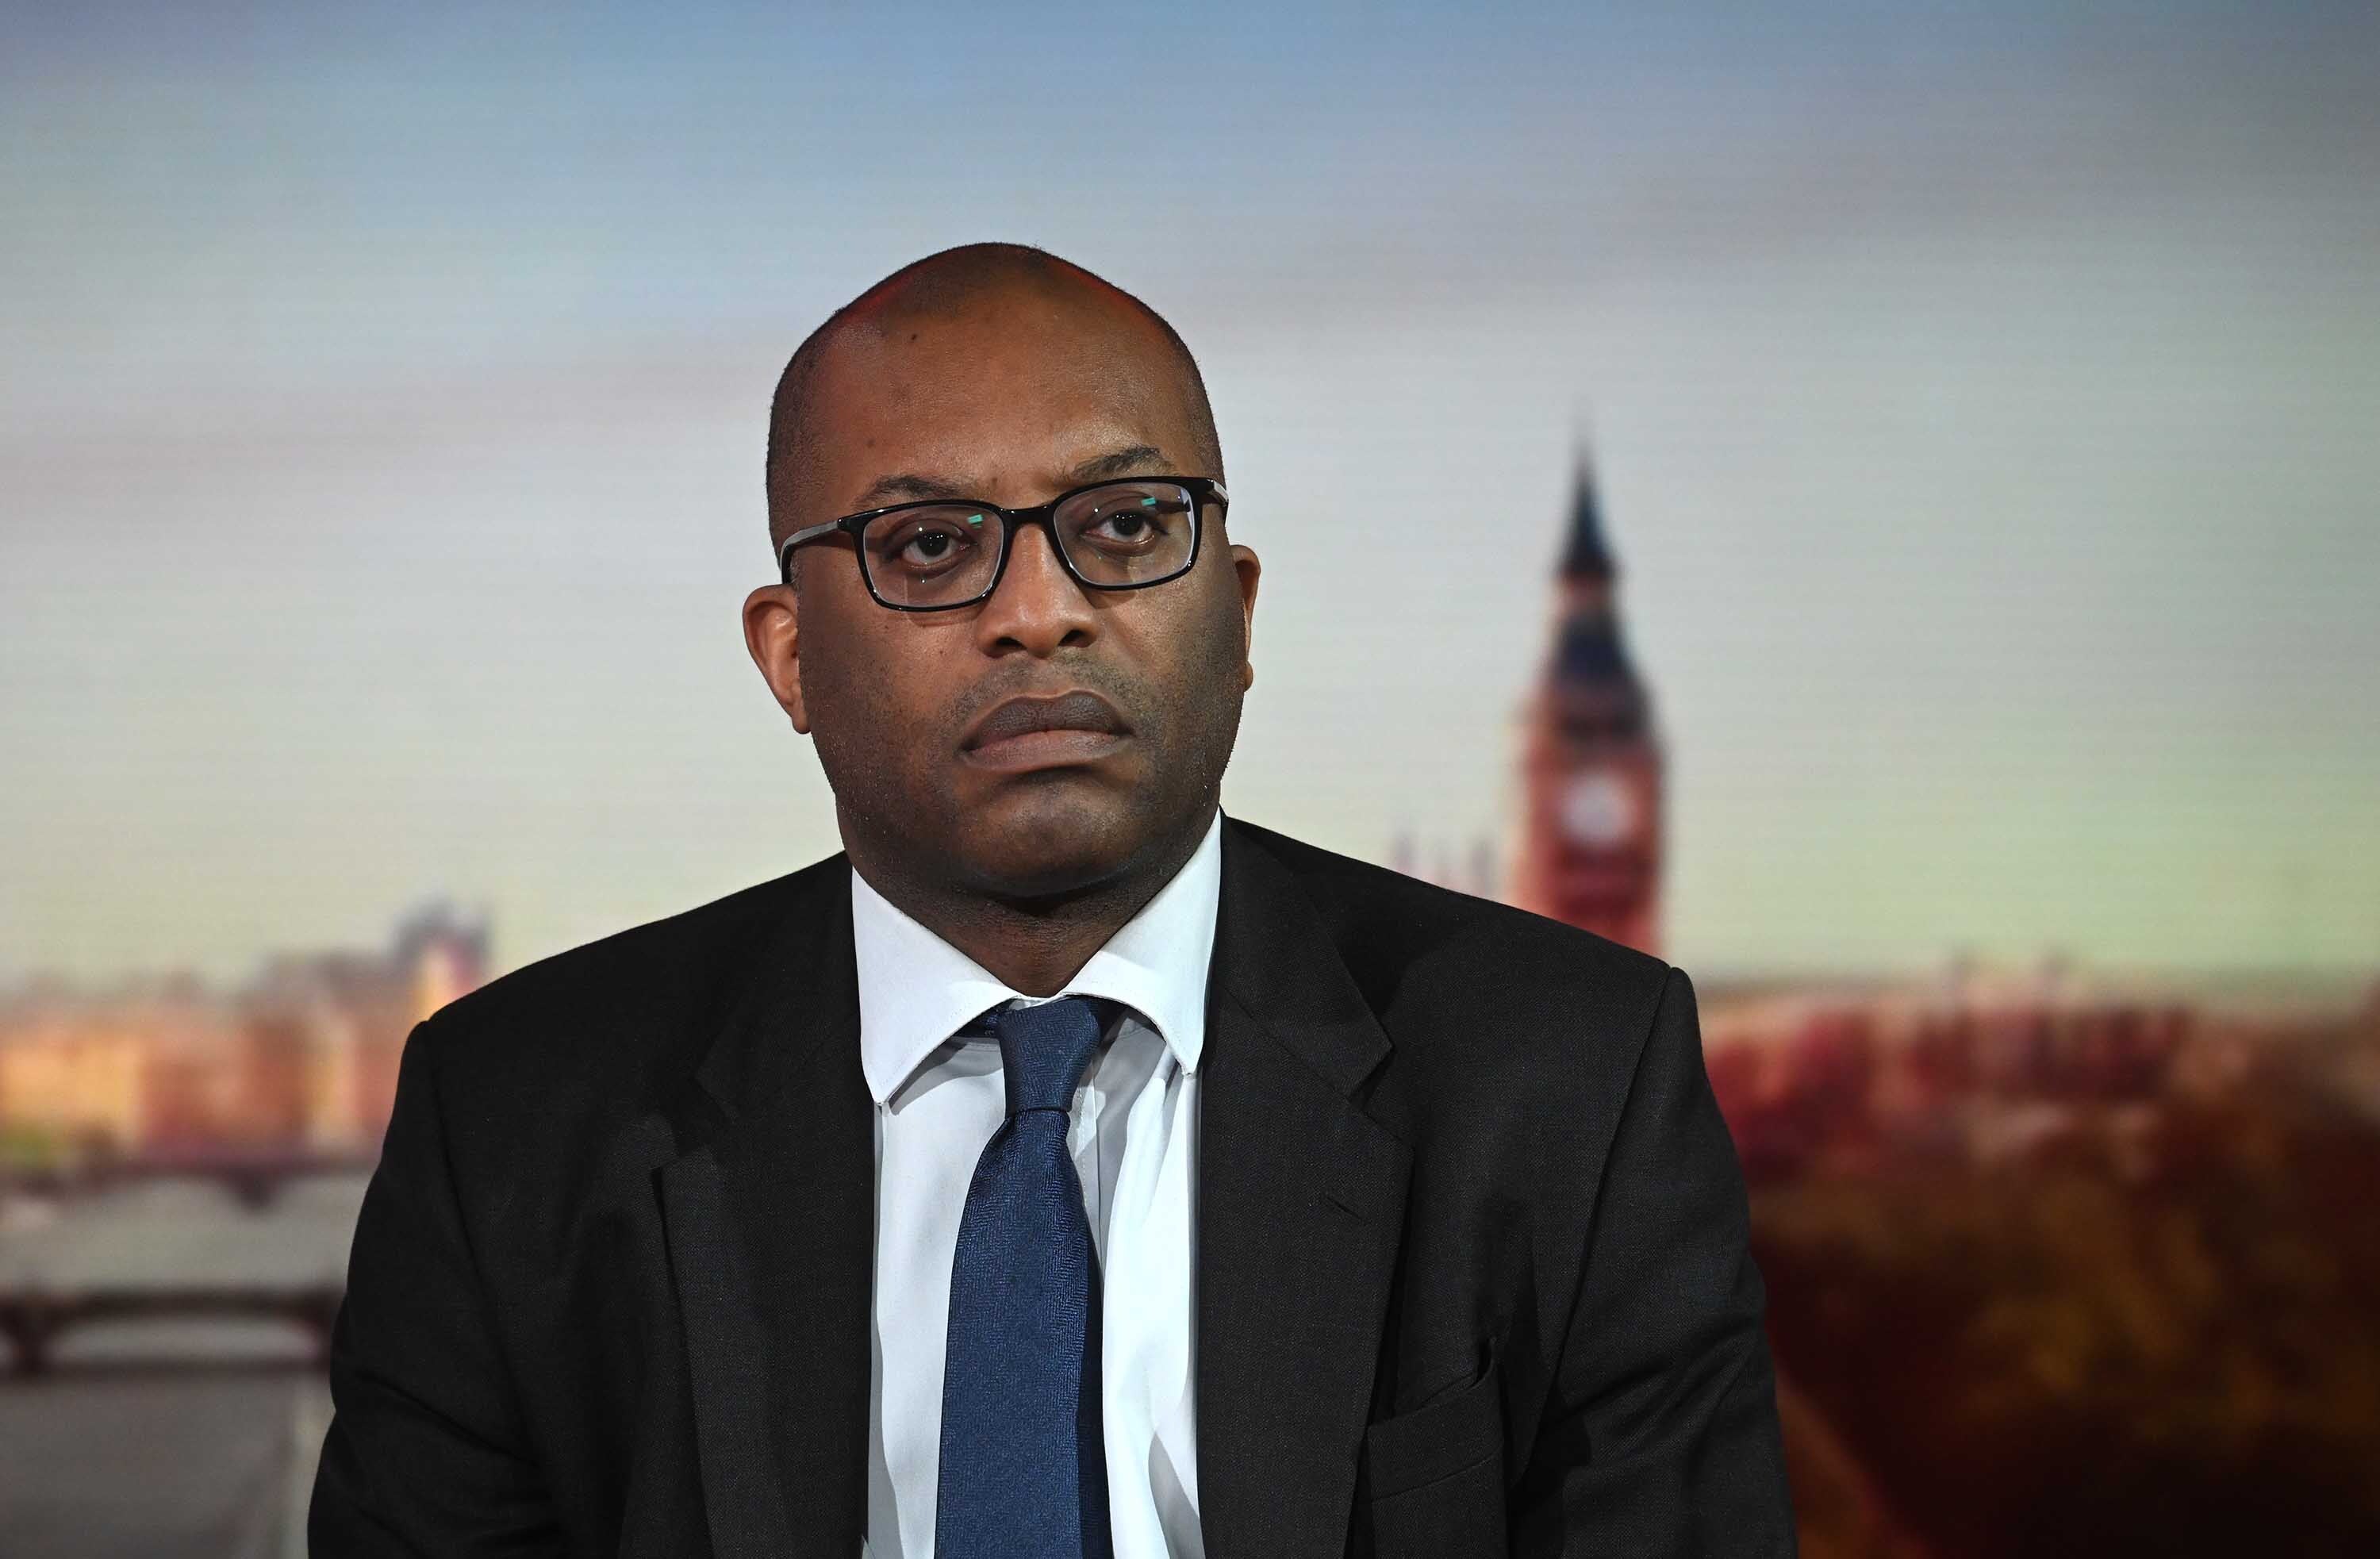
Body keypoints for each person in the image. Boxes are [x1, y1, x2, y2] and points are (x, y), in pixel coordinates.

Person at [308, 242, 1797, 1558]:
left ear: (1241, 608)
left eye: (1131, 524)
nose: (1042, 606)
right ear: (790, 657)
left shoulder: (1573, 1083)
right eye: (931, 547)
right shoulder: (509, 1124)